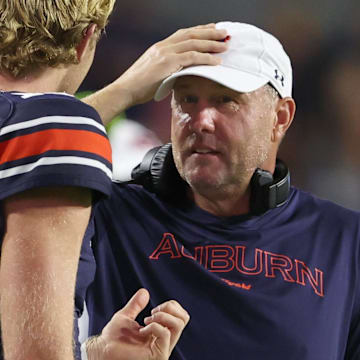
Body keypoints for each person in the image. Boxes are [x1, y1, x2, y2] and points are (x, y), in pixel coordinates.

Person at [77, 22, 360, 359]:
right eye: (187, 100)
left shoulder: (346, 243)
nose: (201, 120)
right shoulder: (107, 214)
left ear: (280, 118)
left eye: (226, 101)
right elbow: (16, 161)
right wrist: (123, 90)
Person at [0, 1, 228, 359]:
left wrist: (91, 354)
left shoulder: (28, 132)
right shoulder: (57, 133)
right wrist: (121, 93)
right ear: (85, 39)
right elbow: (36, 353)